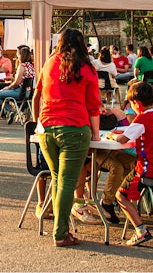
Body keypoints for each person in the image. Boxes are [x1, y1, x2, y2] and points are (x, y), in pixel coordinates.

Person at [33, 28, 102, 248]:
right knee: (66, 183)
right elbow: (93, 106)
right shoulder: (87, 68)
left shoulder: (49, 63)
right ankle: (61, 233)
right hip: (74, 128)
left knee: (57, 178)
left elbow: (37, 95)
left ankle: (60, 229)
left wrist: (37, 123)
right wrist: (96, 134)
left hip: (47, 129)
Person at [109, 81, 153, 247]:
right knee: (125, 190)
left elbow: (122, 139)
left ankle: (140, 229)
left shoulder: (142, 118)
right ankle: (138, 225)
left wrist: (113, 136)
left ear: (137, 103)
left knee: (120, 195)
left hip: (146, 169)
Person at [0, 46, 35, 124]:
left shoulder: (22, 66)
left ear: (21, 56)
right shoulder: (31, 66)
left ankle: (11, 110)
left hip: (20, 91)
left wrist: (8, 87)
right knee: (6, 93)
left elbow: (17, 82)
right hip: (28, 92)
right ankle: (14, 110)